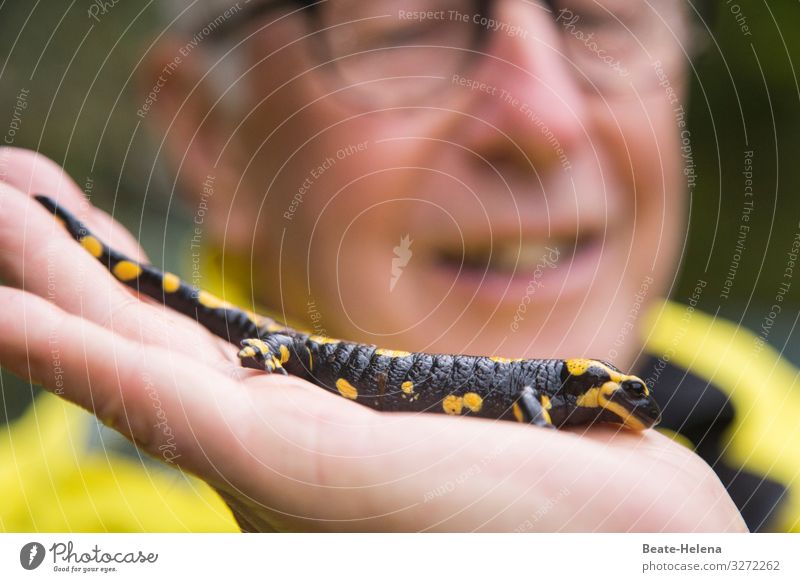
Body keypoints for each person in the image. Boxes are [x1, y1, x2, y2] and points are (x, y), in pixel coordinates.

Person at [1, 0, 778, 531]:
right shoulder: (63, 527)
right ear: (212, 135)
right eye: (409, 26)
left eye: (606, 14)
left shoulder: (766, 402)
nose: (547, 122)